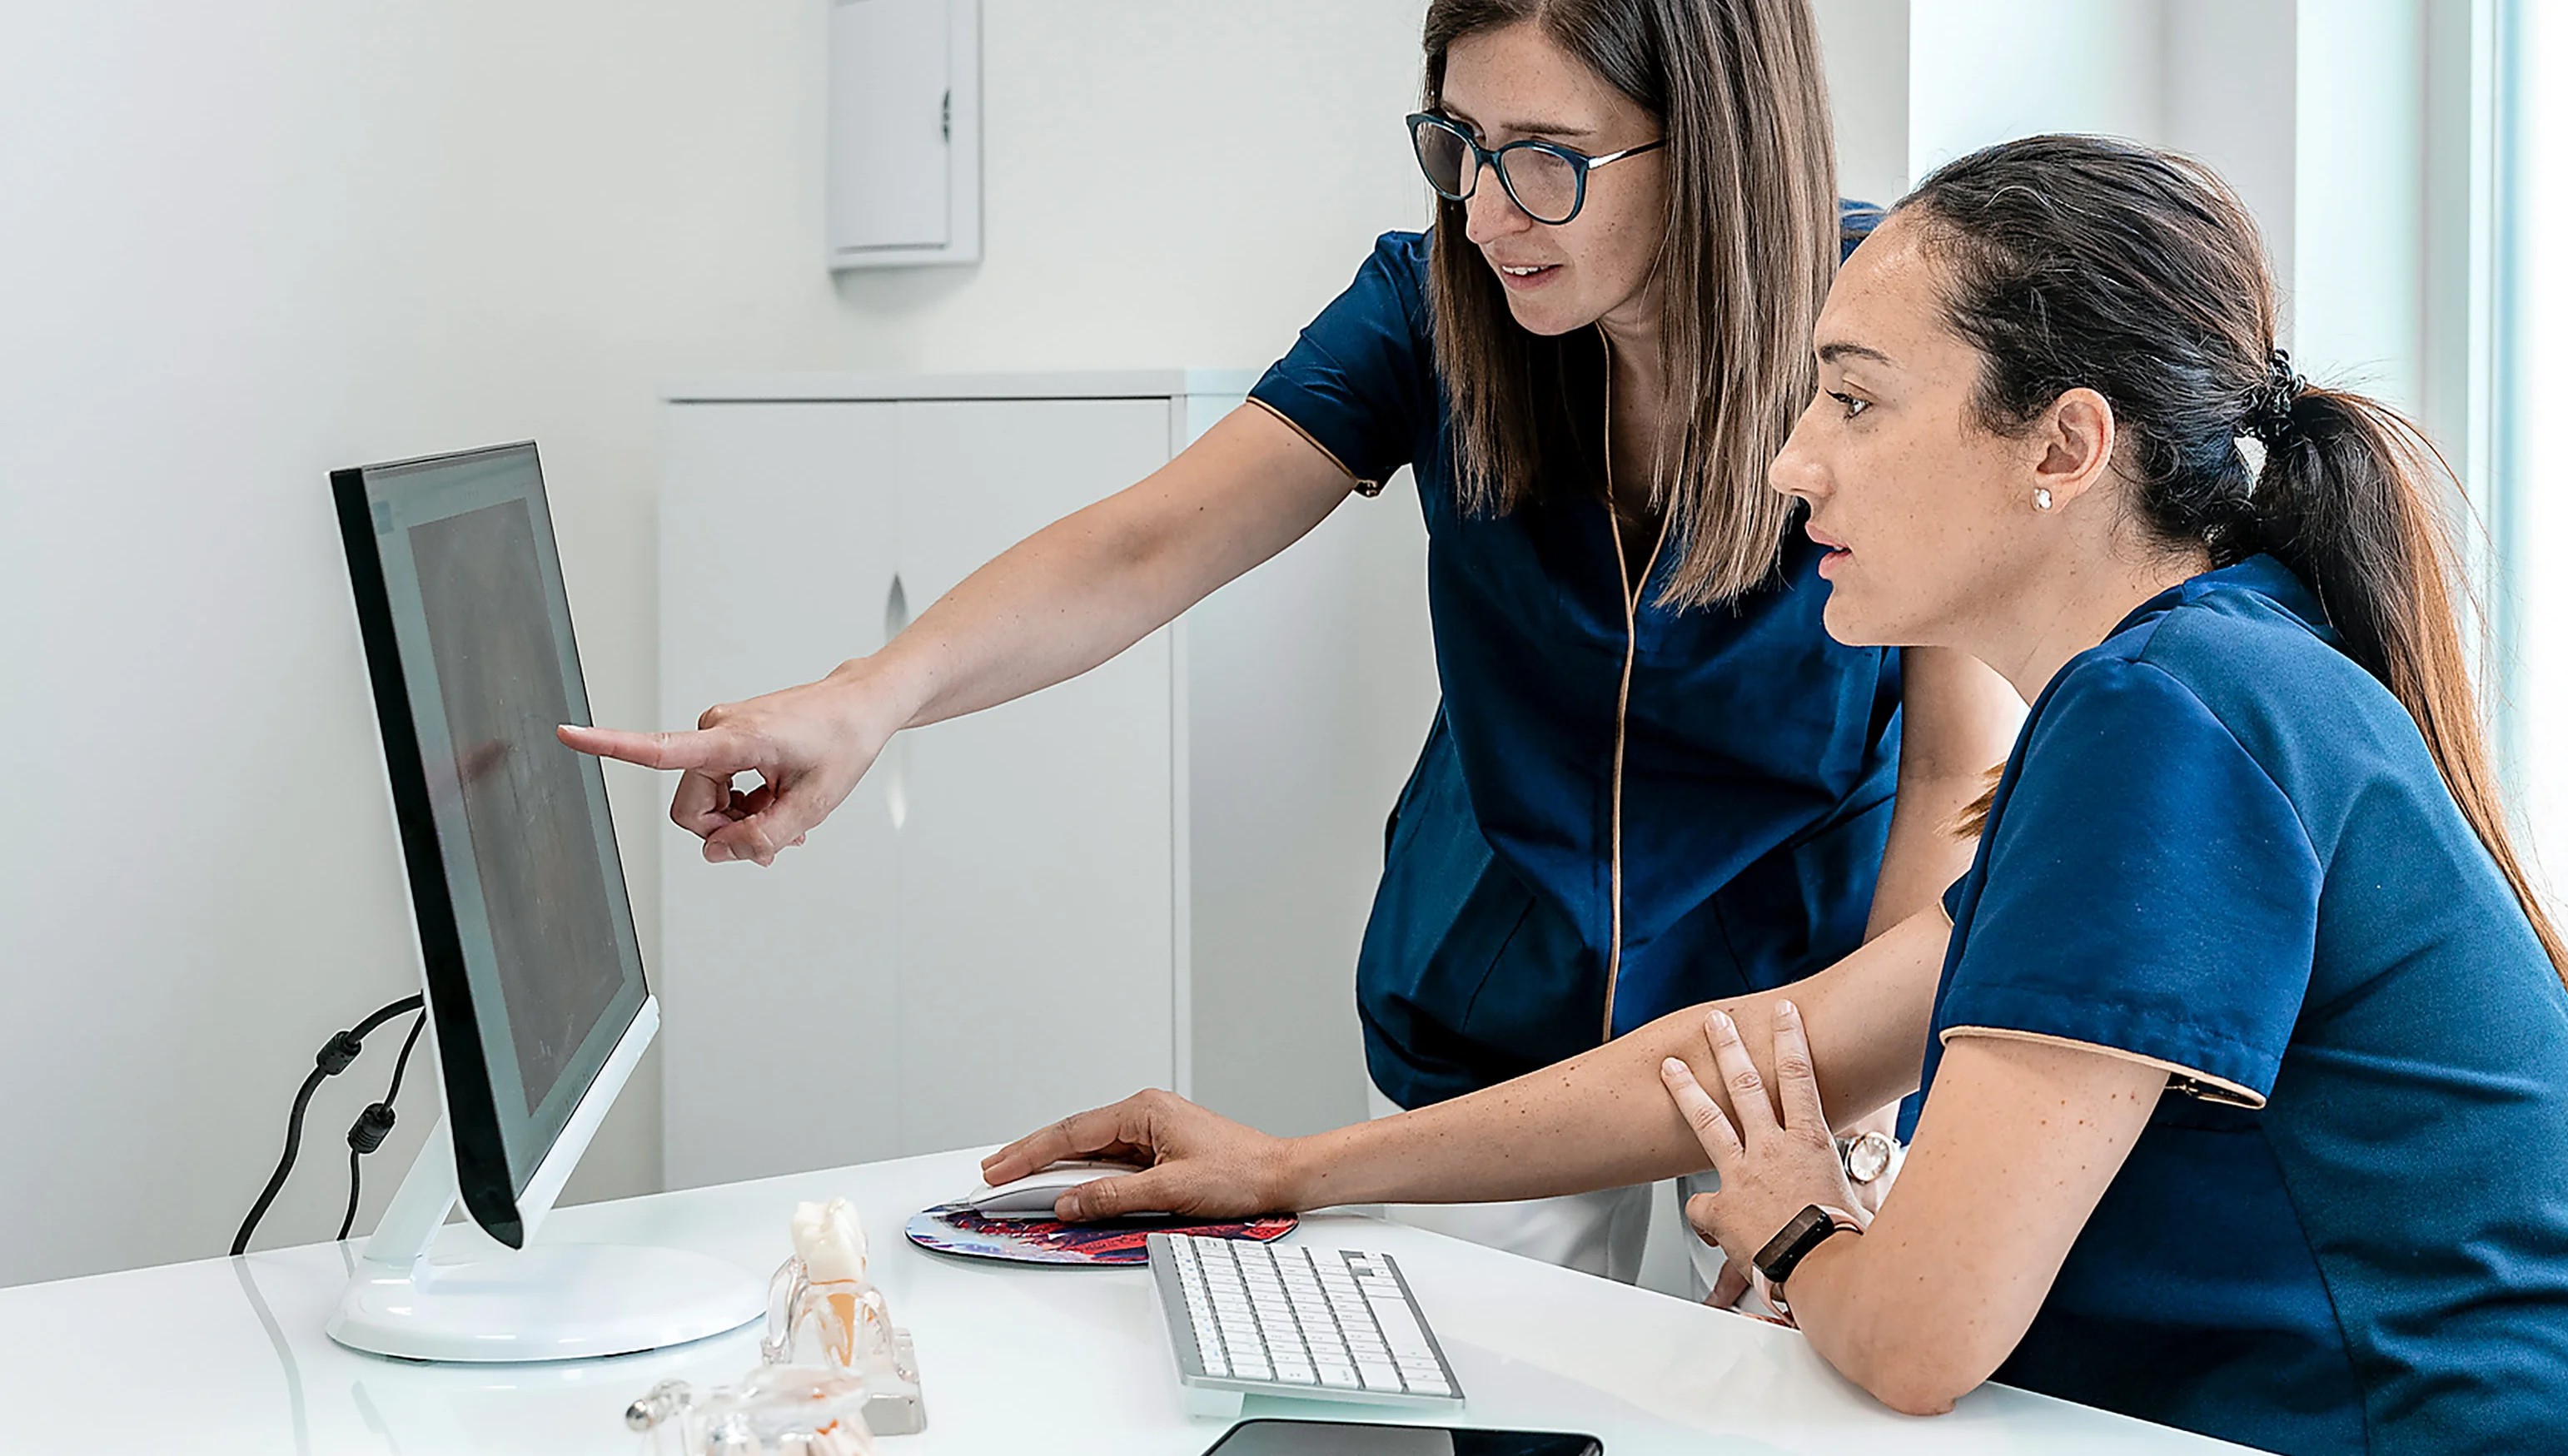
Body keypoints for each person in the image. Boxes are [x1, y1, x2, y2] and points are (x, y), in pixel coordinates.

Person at [976, 135, 2568, 1454]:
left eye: (1855, 400)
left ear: (2063, 446)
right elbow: (1777, 1045)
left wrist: (1796, 1218)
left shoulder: (2171, 715)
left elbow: (1919, 1335)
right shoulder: (2193, 682)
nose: (1792, 460)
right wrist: (1289, 1164)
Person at [562, 0, 2014, 1286]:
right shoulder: (1435, 307)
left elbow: (1962, 756)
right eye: (1461, 145)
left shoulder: (1883, 335)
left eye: (1547, 158)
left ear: (1712, 144)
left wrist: (1859, 1108)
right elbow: (1146, 544)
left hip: (1790, 1013)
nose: (1489, 214)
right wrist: (869, 699)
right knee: (1504, 1411)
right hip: (1493, 988)